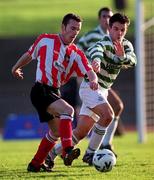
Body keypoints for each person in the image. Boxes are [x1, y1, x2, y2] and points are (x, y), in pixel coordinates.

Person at [44, 12, 137, 169]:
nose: (119, 33)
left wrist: (121, 58)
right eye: (116, 29)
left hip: (103, 91)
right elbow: (96, 50)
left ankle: (50, 155)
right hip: (90, 88)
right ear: (109, 28)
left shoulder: (126, 45)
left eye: (123, 30)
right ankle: (91, 153)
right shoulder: (105, 42)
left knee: (80, 133)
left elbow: (133, 61)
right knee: (108, 115)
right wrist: (96, 61)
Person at [11, 13, 98, 172]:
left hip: (54, 92)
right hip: (40, 90)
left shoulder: (76, 53)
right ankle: (67, 151)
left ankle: (35, 164)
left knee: (56, 132)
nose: (74, 33)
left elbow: (89, 69)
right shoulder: (45, 40)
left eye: (77, 30)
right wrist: (15, 67)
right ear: (63, 27)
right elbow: (29, 55)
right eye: (72, 28)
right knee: (68, 110)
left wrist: (94, 79)